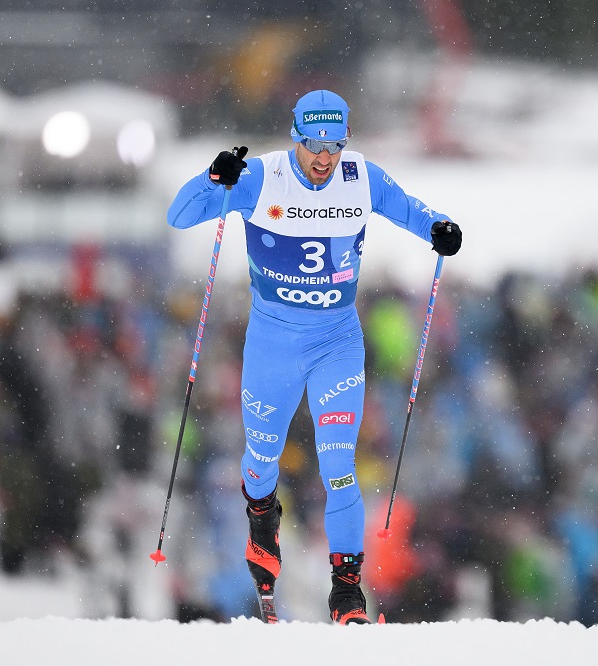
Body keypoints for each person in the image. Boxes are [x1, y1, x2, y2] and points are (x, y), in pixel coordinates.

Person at [167, 89, 462, 624]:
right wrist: (215, 177)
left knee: (339, 467)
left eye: (334, 144)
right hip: (272, 345)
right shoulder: (262, 177)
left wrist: (441, 230)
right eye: (313, 145)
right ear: (296, 138)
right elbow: (180, 215)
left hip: (336, 344)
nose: (324, 158)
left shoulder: (361, 177)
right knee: (260, 465)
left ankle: (346, 590)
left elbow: (413, 212)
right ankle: (263, 517)